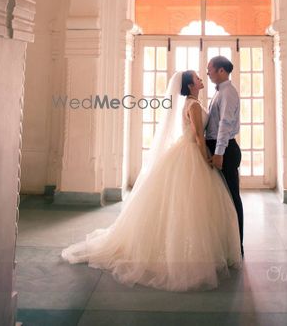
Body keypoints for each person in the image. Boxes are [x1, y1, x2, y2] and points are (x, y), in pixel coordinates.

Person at [60, 70, 242, 292]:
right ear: (190, 84)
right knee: (192, 204)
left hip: (188, 151)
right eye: (197, 77)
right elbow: (197, 135)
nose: (201, 78)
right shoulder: (193, 105)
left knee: (191, 204)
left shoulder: (193, 101)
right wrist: (206, 156)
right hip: (192, 152)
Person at [206, 56, 244, 257]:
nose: (208, 73)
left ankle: (238, 246)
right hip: (218, 148)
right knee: (221, 198)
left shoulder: (228, 93)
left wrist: (219, 152)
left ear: (221, 71)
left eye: (210, 69)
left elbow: (225, 124)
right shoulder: (219, 92)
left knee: (232, 197)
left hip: (226, 150)